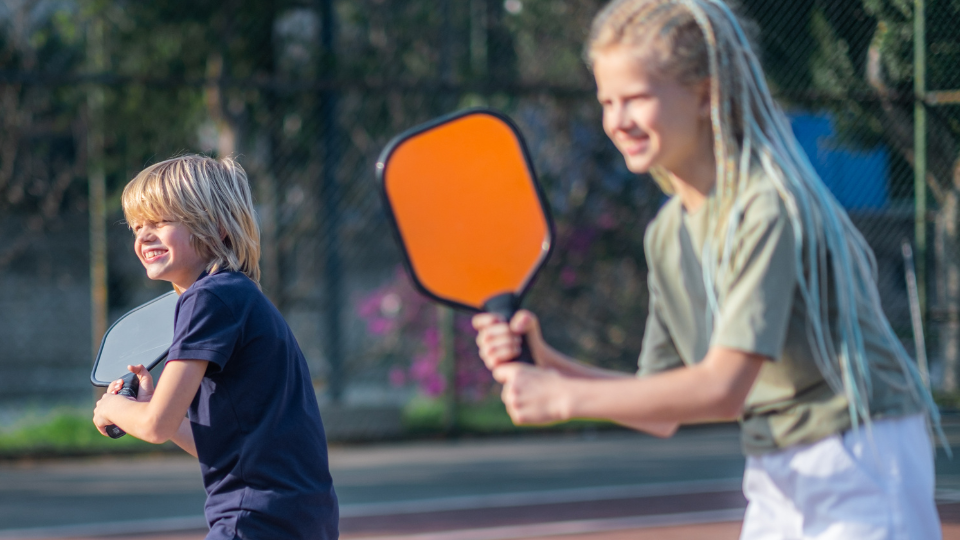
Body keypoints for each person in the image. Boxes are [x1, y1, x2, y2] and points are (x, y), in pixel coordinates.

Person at [472, 1, 945, 538]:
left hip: (860, 450)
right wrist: (550, 364)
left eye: (636, 98)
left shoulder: (767, 206)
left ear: (704, 94)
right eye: (607, 102)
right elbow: (660, 407)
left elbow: (723, 387)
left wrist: (563, 398)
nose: (618, 121)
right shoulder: (668, 233)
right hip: (776, 465)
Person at [92, 155, 338, 539]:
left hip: (254, 518)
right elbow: (224, 446)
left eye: (161, 221)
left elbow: (155, 425)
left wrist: (112, 408)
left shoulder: (207, 298)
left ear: (217, 227)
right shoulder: (237, 294)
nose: (143, 236)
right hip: (302, 518)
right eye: (138, 226)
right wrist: (149, 405)